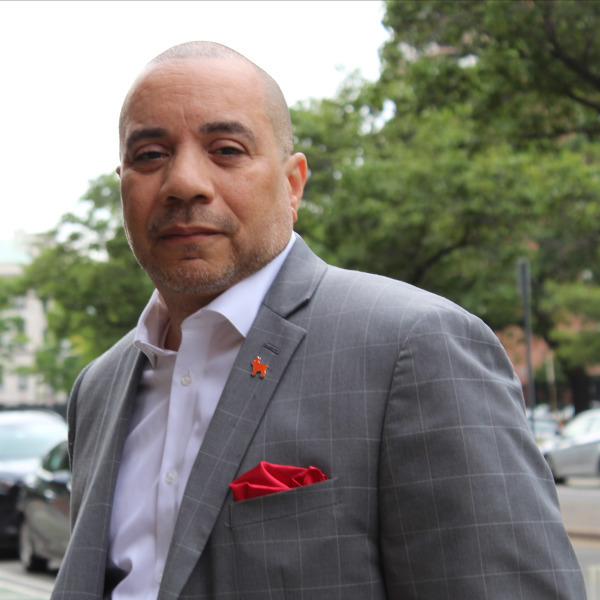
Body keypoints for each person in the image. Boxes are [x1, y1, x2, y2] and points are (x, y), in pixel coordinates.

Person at [50, 41, 586, 600]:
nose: (184, 181)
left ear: (293, 184)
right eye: (150, 155)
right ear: (122, 182)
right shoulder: (98, 388)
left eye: (227, 150)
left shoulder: (415, 347)